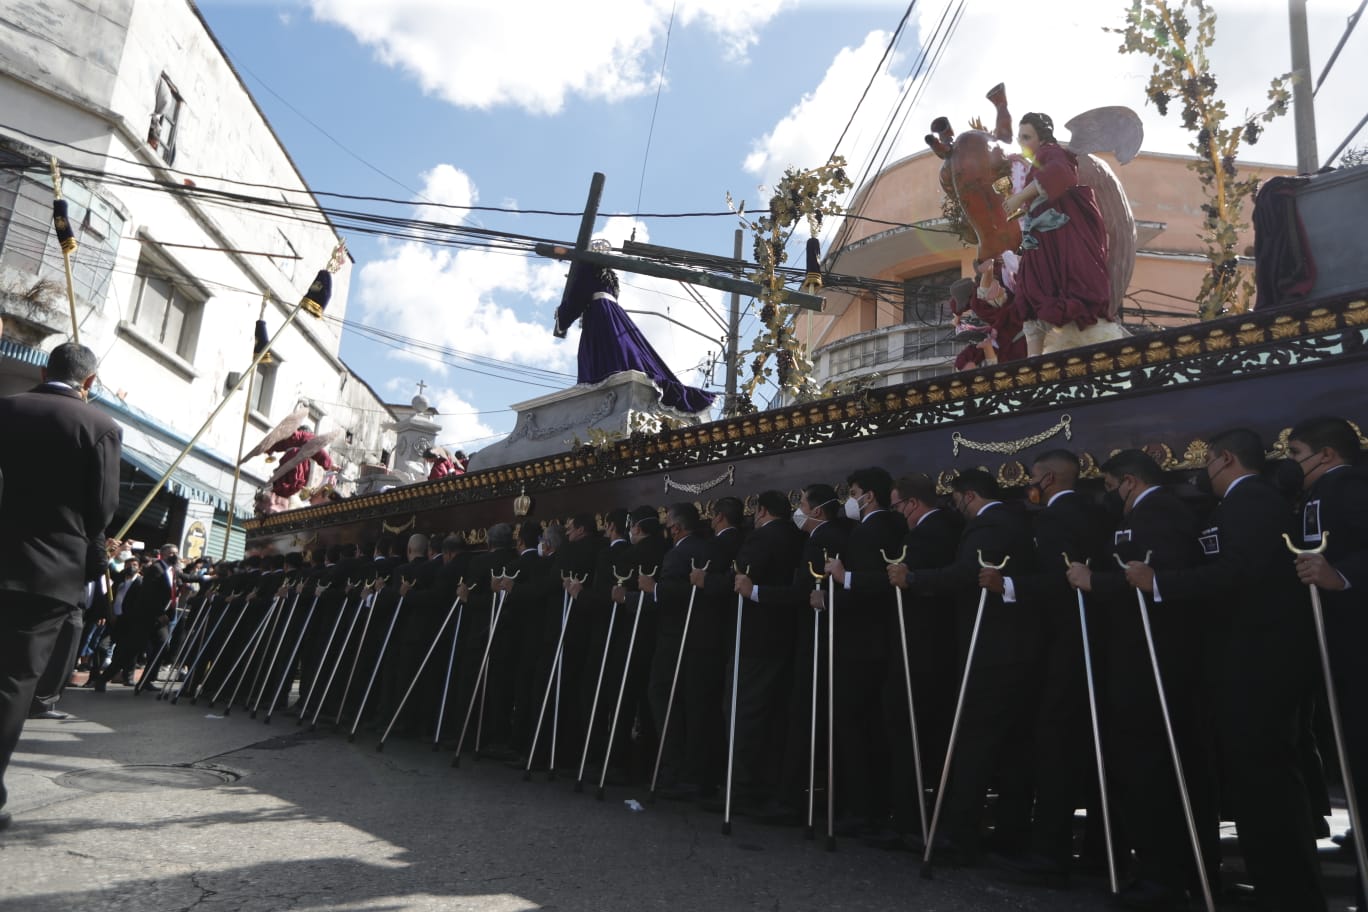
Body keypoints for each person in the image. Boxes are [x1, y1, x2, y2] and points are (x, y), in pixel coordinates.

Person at [1067, 450, 1217, 910]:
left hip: (1152, 658)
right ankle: (1159, 869)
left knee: (1150, 767)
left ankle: (1163, 877)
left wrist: (1095, 581)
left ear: (1128, 482)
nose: (1110, 497)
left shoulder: (1159, 512)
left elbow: (1152, 580)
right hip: (1137, 654)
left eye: (1110, 487)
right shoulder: (1156, 511)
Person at [0, 342, 122, 831]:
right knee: (12, 683)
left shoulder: (7, 408)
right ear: (88, 382)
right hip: (49, 574)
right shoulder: (100, 428)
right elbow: (102, 510)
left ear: (44, 369)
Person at [1000, 112, 1125, 356]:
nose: (1022, 142)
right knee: (1031, 291)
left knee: (1046, 288)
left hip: (1058, 236)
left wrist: (1020, 197)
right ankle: (1033, 361)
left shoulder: (1051, 151)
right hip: (1042, 238)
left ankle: (1037, 358)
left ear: (1041, 137)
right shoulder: (1038, 159)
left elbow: (1061, 174)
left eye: (1027, 137)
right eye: (1020, 137)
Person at [553, 250, 714, 414]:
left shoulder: (587, 266)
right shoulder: (608, 278)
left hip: (599, 316)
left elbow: (576, 299)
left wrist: (562, 314)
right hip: (616, 314)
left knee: (608, 353)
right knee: (629, 350)